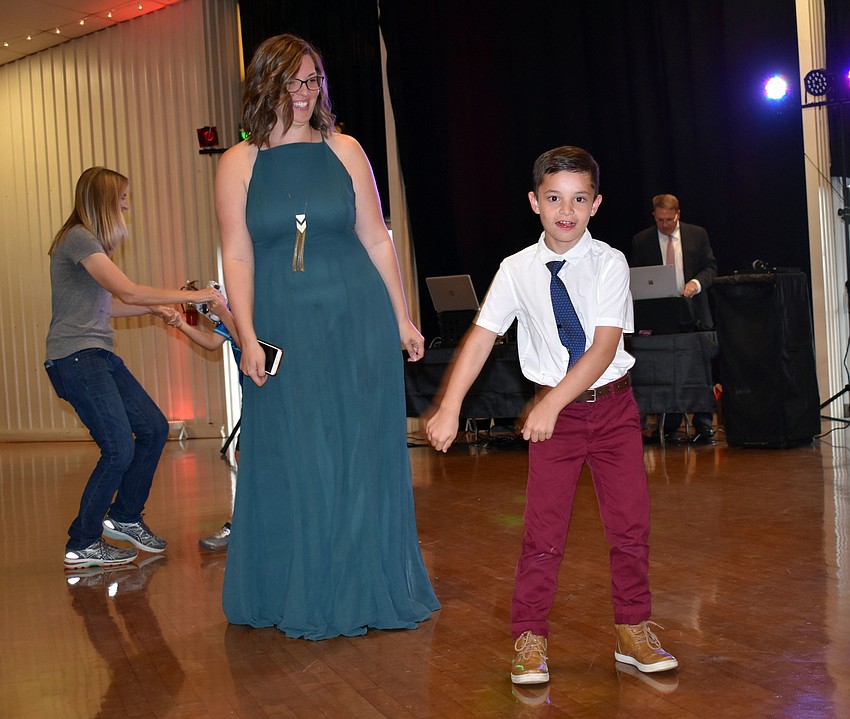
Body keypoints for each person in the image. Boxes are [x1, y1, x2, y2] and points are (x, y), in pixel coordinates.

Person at [215, 33, 439, 639]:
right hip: (285, 326)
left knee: (361, 455)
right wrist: (248, 334)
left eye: (313, 81)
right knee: (296, 456)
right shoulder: (238, 162)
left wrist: (401, 317)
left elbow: (376, 238)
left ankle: (362, 588)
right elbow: (236, 257)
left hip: (357, 319)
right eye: (291, 83)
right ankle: (302, 588)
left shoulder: (346, 149)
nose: (303, 94)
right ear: (265, 86)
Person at [426, 146, 678, 684]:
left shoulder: (610, 262)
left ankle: (633, 629)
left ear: (596, 204)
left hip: (612, 410)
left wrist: (551, 403)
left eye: (579, 199)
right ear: (535, 202)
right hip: (556, 419)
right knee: (543, 533)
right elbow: (480, 338)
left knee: (630, 528)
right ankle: (530, 637)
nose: (567, 210)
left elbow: (604, 348)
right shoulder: (516, 270)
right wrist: (449, 406)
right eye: (555, 198)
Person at [46, 166, 221, 569]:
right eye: (122, 197)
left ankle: (124, 516)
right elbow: (125, 289)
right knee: (118, 448)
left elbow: (112, 305)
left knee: (154, 427)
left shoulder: (92, 246)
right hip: (76, 357)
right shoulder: (78, 239)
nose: (127, 204)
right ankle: (83, 541)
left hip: (96, 355)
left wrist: (158, 308)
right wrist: (190, 294)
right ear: (106, 199)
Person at [630, 194, 718, 443]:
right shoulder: (642, 240)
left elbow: (710, 268)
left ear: (678, 214)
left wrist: (696, 284)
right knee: (664, 366)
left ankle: (704, 424)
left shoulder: (697, 234)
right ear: (654, 216)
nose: (665, 225)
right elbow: (637, 275)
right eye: (660, 220)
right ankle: (669, 424)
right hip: (660, 313)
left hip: (693, 310)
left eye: (669, 220)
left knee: (698, 367)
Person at [163, 294, 241, 551]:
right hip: (253, 398)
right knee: (243, 457)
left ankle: (242, 524)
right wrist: (180, 324)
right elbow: (213, 341)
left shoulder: (262, 304)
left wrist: (226, 314)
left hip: (273, 396)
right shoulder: (238, 305)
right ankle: (242, 523)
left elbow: (248, 343)